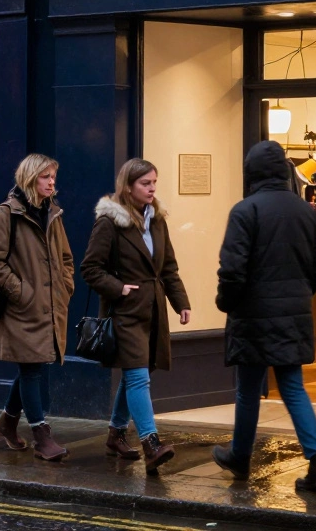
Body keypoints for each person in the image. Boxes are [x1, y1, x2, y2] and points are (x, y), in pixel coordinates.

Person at [211, 141, 316, 491]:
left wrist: (226, 302)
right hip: (293, 314)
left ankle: (240, 456)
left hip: (252, 315)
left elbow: (232, 269)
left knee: (248, 390)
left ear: (251, 172)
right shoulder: (305, 212)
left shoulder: (245, 211)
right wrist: (298, 294)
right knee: (292, 386)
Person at [80, 158, 191, 473]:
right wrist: (118, 288)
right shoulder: (109, 222)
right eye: (145, 183)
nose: (152, 188)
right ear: (128, 187)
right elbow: (90, 268)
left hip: (153, 310)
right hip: (125, 311)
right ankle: (151, 443)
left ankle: (116, 434)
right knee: (138, 377)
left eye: (154, 182)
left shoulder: (157, 219)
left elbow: (168, 267)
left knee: (136, 374)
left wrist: (181, 302)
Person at [0, 153, 75, 461]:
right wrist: (21, 292)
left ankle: (7, 423)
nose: (51, 182)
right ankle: (41, 436)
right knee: (32, 368)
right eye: (45, 176)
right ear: (30, 178)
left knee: (33, 365)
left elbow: (65, 258)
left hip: (50, 305)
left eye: (53, 177)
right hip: (22, 307)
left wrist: (65, 286)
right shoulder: (6, 213)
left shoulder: (52, 213)